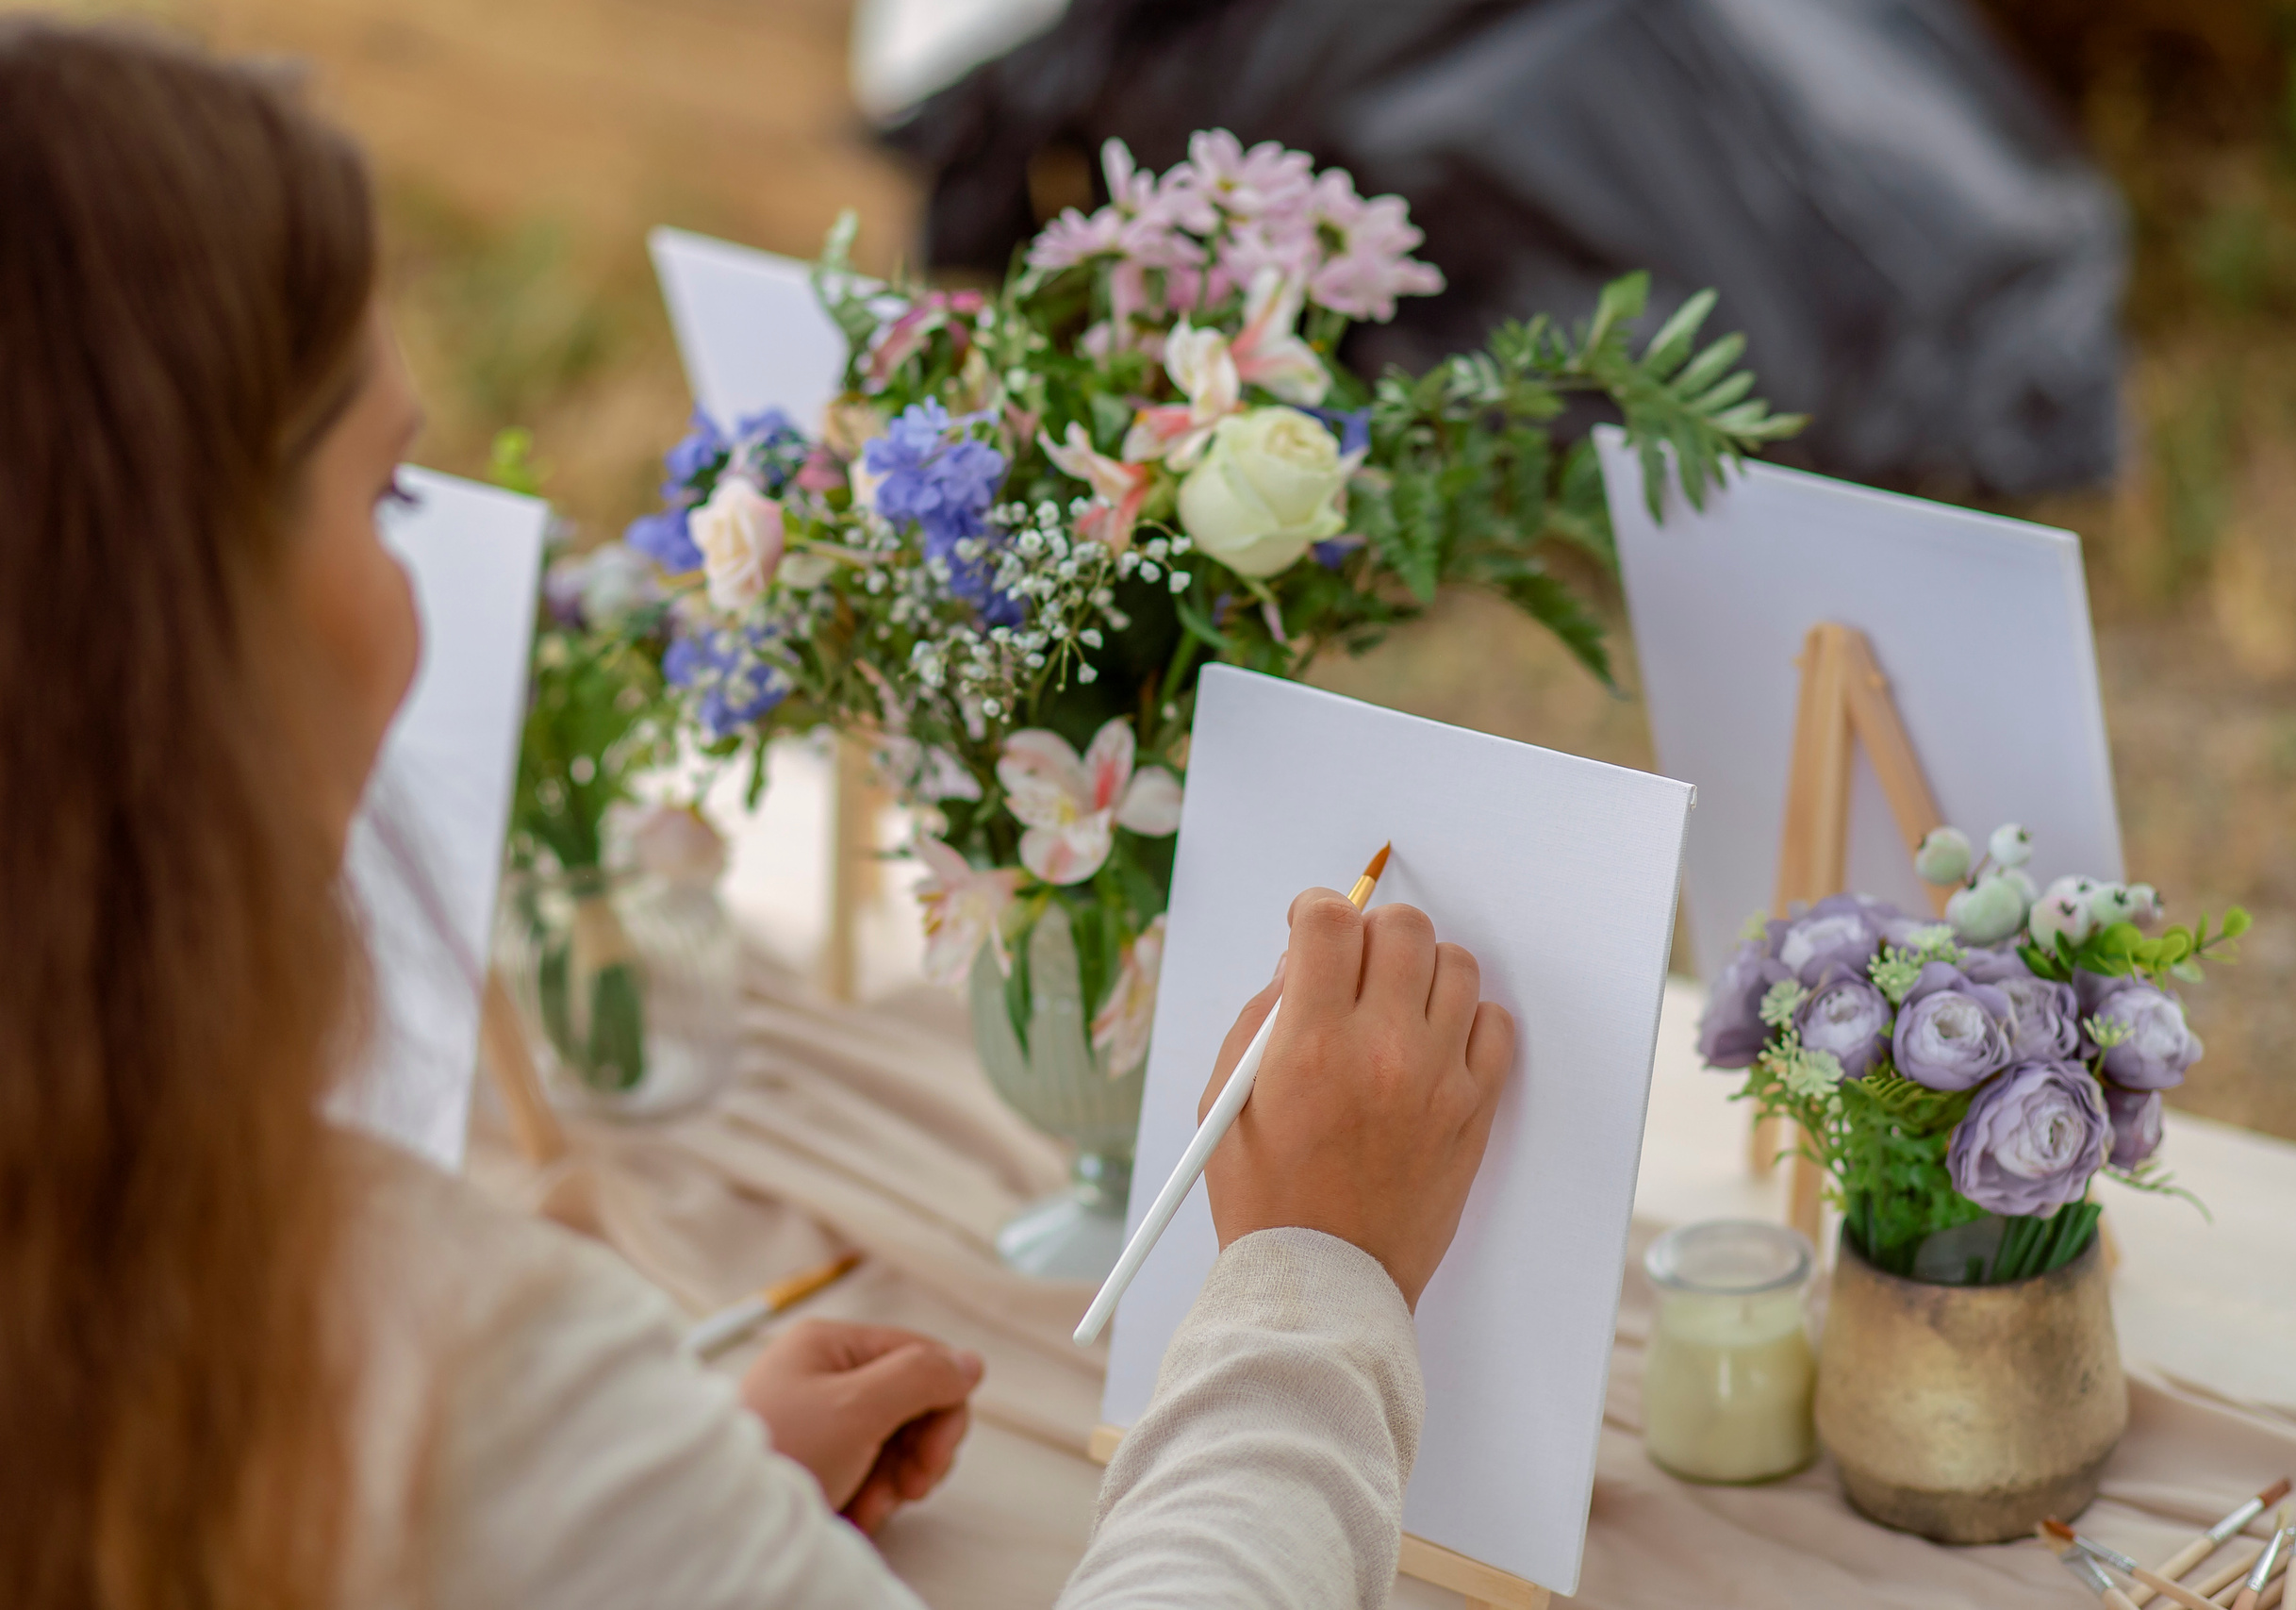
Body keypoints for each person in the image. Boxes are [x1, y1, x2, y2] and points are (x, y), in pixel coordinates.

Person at [0, 19, 1513, 1610]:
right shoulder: (392, 1345)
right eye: (389, 496)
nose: (416, 599)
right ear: (170, 617)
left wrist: (640, 1522)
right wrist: (1309, 1291)